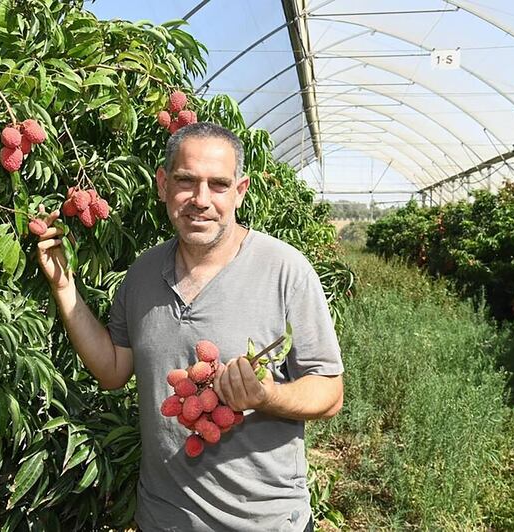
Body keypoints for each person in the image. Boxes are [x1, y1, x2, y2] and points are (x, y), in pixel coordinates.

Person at [36, 122, 344, 531]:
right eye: (185, 181)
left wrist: (268, 396)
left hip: (264, 523)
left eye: (218, 185)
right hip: (162, 518)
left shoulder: (285, 270)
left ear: (240, 191)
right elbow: (112, 370)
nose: (201, 199)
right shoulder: (143, 273)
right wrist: (64, 287)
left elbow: (330, 390)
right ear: (163, 184)